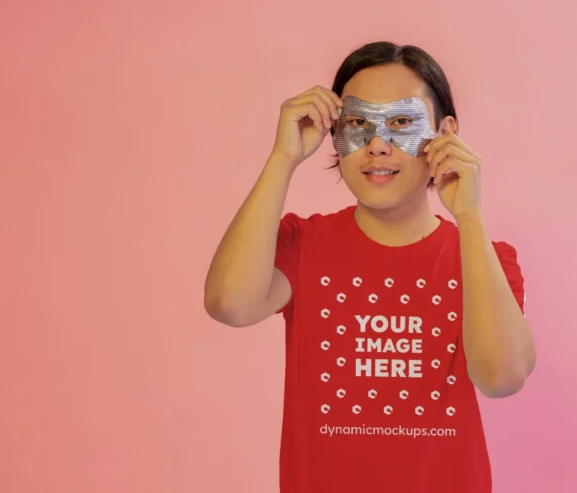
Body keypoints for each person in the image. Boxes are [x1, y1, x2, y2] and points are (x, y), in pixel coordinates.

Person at [204, 41, 536, 493]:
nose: (378, 146)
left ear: (445, 132)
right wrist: (283, 158)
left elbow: (502, 378)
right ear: (334, 132)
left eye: (401, 122)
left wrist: (469, 216)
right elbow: (230, 304)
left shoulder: (486, 259)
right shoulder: (302, 244)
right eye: (358, 123)